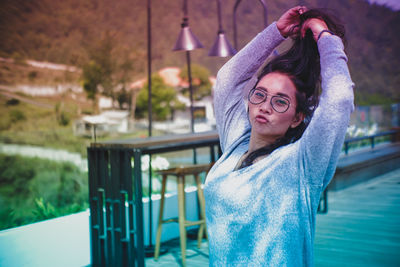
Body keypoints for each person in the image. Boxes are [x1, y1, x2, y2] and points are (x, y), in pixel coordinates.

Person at [203, 6, 354, 266]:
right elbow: (228, 79)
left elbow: (339, 100)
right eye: (260, 94)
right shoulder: (235, 144)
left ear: (297, 118)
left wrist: (324, 36)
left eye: (281, 102)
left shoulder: (302, 164)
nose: (265, 106)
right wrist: (276, 32)